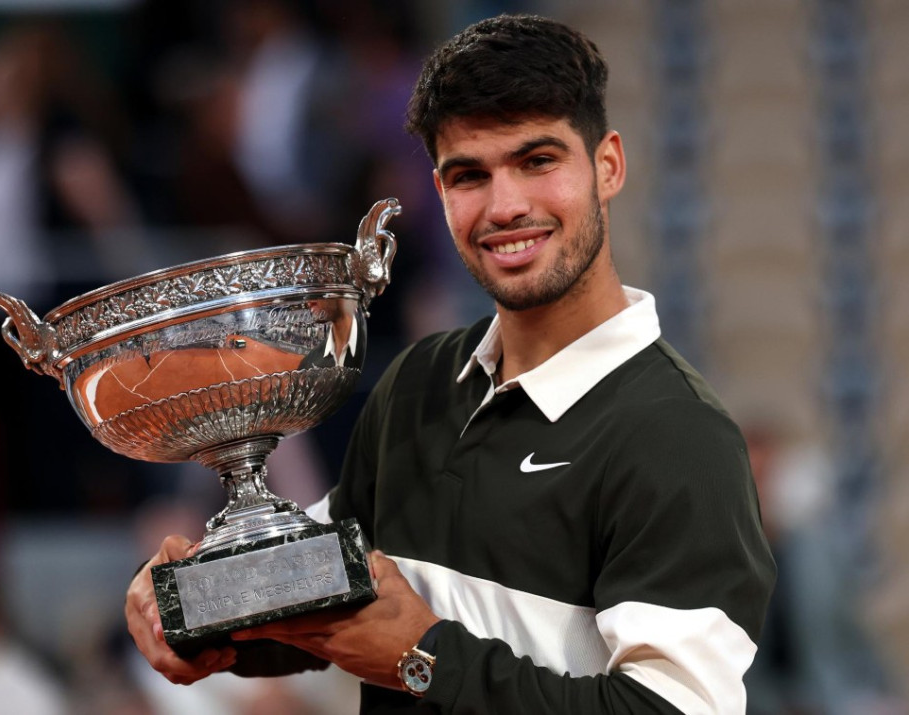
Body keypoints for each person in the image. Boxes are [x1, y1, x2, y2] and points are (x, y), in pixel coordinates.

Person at [125, 14, 775, 714]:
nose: (506, 206)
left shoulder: (678, 437)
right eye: (469, 174)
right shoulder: (420, 381)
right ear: (438, 191)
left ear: (607, 165)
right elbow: (338, 601)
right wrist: (197, 611)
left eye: (538, 161)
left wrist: (423, 657)